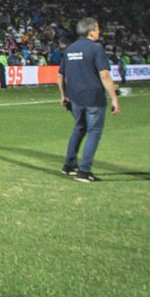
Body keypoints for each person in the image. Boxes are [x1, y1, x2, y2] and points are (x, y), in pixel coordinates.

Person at [57, 17, 120, 182]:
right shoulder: (96, 48)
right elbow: (104, 75)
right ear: (91, 31)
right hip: (93, 97)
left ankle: (69, 165)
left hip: (75, 98)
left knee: (79, 127)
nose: (99, 31)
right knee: (94, 132)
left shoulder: (70, 49)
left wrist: (63, 95)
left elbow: (60, 75)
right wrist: (114, 98)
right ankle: (84, 171)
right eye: (98, 28)